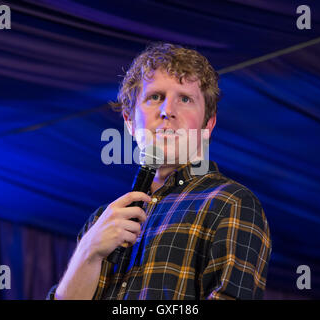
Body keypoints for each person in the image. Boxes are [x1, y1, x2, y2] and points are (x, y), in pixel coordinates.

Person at [47, 43, 271, 300]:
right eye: (155, 97)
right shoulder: (102, 220)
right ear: (129, 122)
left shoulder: (230, 202)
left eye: (185, 99)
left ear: (207, 126)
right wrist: (88, 252)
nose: (167, 111)